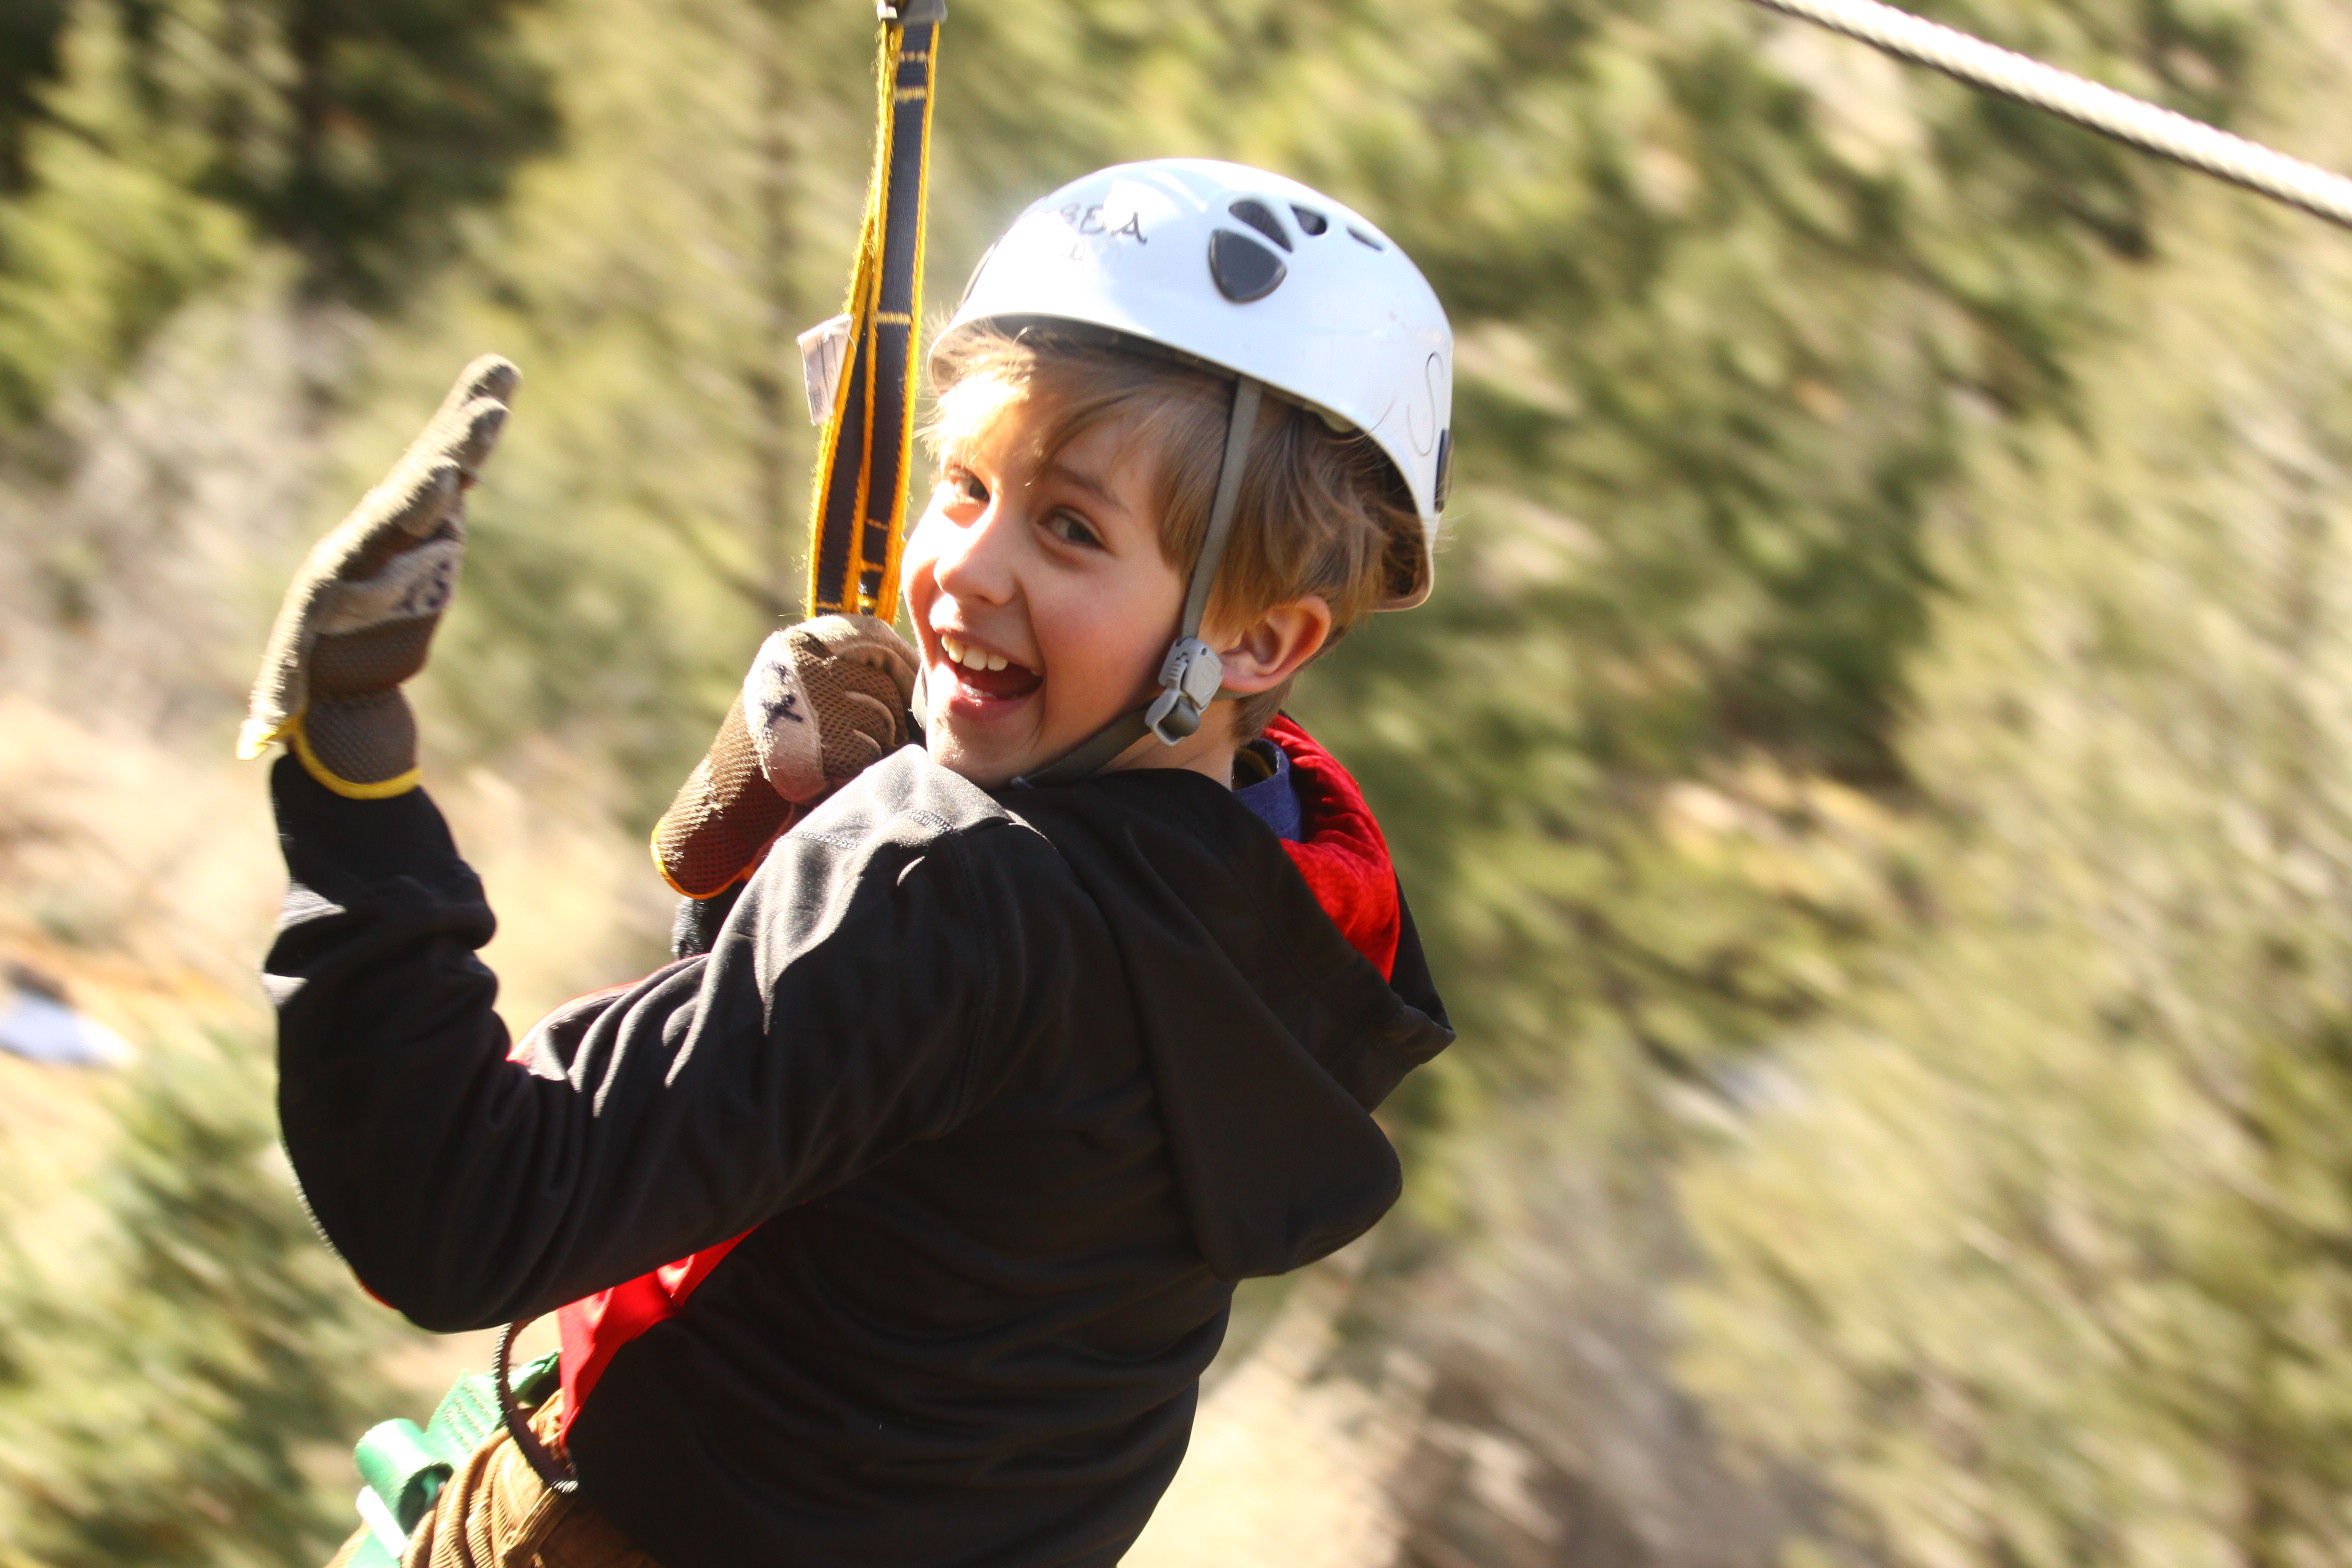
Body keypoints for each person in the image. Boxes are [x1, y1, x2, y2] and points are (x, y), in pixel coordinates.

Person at [252, 159, 1456, 1568]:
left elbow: (454, 1210)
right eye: (963, 486)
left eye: (1069, 527)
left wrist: (348, 772)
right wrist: (801, 826)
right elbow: (864, 1123)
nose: (961, 571)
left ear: (1263, 641)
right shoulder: (1300, 912)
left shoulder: (950, 884)